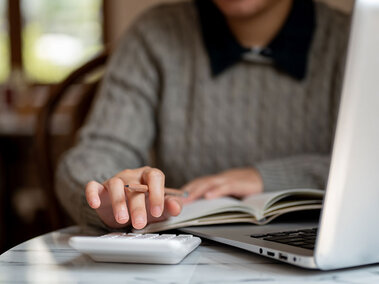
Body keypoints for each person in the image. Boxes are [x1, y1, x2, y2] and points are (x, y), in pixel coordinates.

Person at [56, 0, 349, 231]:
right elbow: (95, 154)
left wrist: (269, 178)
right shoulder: (154, 34)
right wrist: (106, 197)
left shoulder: (350, 38)